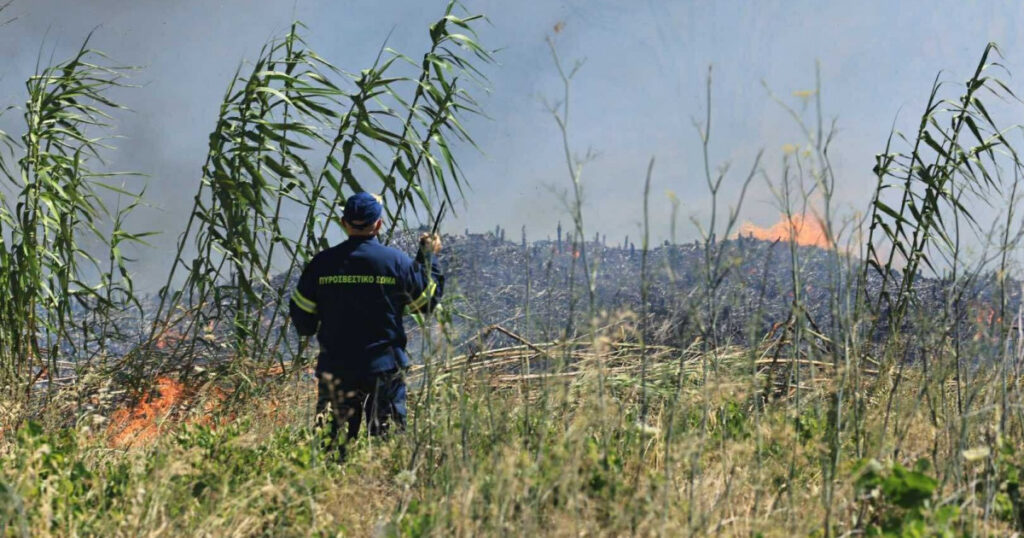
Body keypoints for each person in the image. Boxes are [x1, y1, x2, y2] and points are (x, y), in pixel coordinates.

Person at [289, 192, 443, 458]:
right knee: (388, 449)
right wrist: (427, 259)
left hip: (336, 370)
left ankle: (327, 494)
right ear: (378, 224)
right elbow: (426, 303)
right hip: (385, 369)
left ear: (344, 223)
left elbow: (303, 321)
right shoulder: (396, 263)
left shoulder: (321, 265)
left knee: (330, 449)